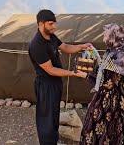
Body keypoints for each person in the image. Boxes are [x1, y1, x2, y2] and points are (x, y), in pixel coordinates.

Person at [28, 9, 92, 145]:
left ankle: (54, 141)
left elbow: (66, 47)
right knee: (46, 119)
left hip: (55, 83)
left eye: (54, 24)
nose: (54, 27)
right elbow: (50, 70)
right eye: (50, 24)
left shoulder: (51, 37)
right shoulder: (36, 45)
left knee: (54, 114)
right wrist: (72, 73)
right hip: (45, 85)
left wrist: (82, 46)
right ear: (41, 24)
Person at [79, 24, 124, 144]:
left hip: (111, 102)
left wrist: (85, 75)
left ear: (113, 36)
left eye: (105, 34)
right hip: (114, 98)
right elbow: (103, 70)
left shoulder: (119, 58)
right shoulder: (111, 53)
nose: (103, 36)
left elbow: (107, 84)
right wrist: (94, 53)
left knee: (108, 130)